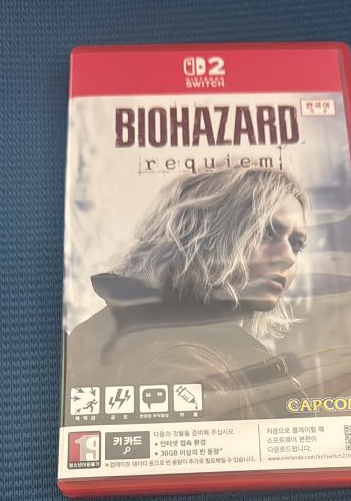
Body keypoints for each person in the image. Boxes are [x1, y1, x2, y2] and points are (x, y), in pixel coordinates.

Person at [65, 168, 309, 420]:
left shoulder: (180, 341)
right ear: (206, 234)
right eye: (267, 232)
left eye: (297, 244)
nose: (288, 257)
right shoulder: (184, 365)